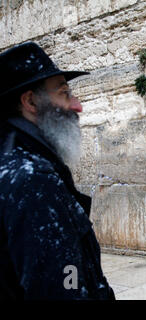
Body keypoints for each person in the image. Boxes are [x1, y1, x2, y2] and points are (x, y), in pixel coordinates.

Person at [0, 42, 115, 299]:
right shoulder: (33, 180)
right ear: (30, 101)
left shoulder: (11, 165)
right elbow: (64, 284)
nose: (77, 105)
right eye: (64, 93)